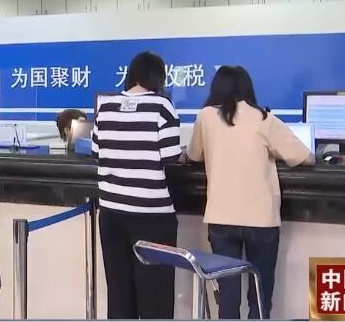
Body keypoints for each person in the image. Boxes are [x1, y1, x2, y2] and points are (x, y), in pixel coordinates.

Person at [186, 66, 314, 319]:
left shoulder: (206, 117)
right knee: (260, 295)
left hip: (221, 218)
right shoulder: (263, 118)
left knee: (228, 297)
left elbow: (193, 155)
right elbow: (305, 157)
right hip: (261, 221)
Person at [92, 51, 180, 319]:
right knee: (155, 299)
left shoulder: (106, 108)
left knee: (120, 297)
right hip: (152, 217)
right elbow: (171, 157)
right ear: (158, 78)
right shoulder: (162, 107)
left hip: (111, 214)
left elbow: (96, 151)